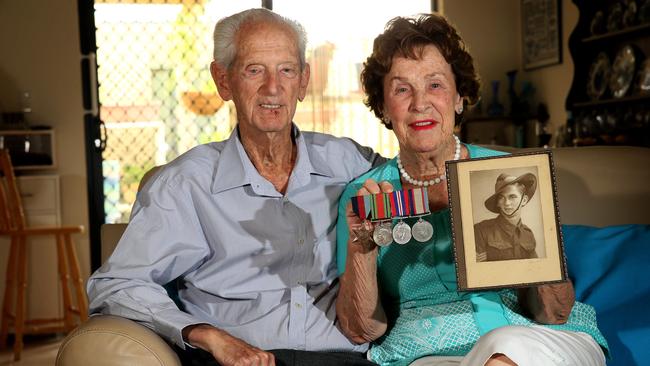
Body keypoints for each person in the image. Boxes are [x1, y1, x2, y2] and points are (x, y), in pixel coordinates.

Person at [87, 8, 383, 366]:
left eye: (287, 70)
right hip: (237, 361)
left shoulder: (350, 163)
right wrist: (207, 335)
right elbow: (115, 285)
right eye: (254, 70)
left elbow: (422, 186)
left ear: (303, 81)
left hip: (343, 360)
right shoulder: (185, 185)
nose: (272, 88)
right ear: (223, 80)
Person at [335, 13, 608, 366]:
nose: (420, 103)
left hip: (534, 338)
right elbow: (361, 331)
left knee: (504, 349)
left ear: (460, 98)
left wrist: (542, 253)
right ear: (385, 108)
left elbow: (553, 313)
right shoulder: (364, 197)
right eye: (402, 89)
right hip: (428, 352)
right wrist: (362, 249)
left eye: (435, 84)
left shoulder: (511, 175)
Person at [474, 172, 538, 262]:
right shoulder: (481, 230)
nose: (507, 203)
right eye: (501, 197)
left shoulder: (528, 234)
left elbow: (536, 267)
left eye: (512, 197)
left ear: (524, 200)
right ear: (497, 202)